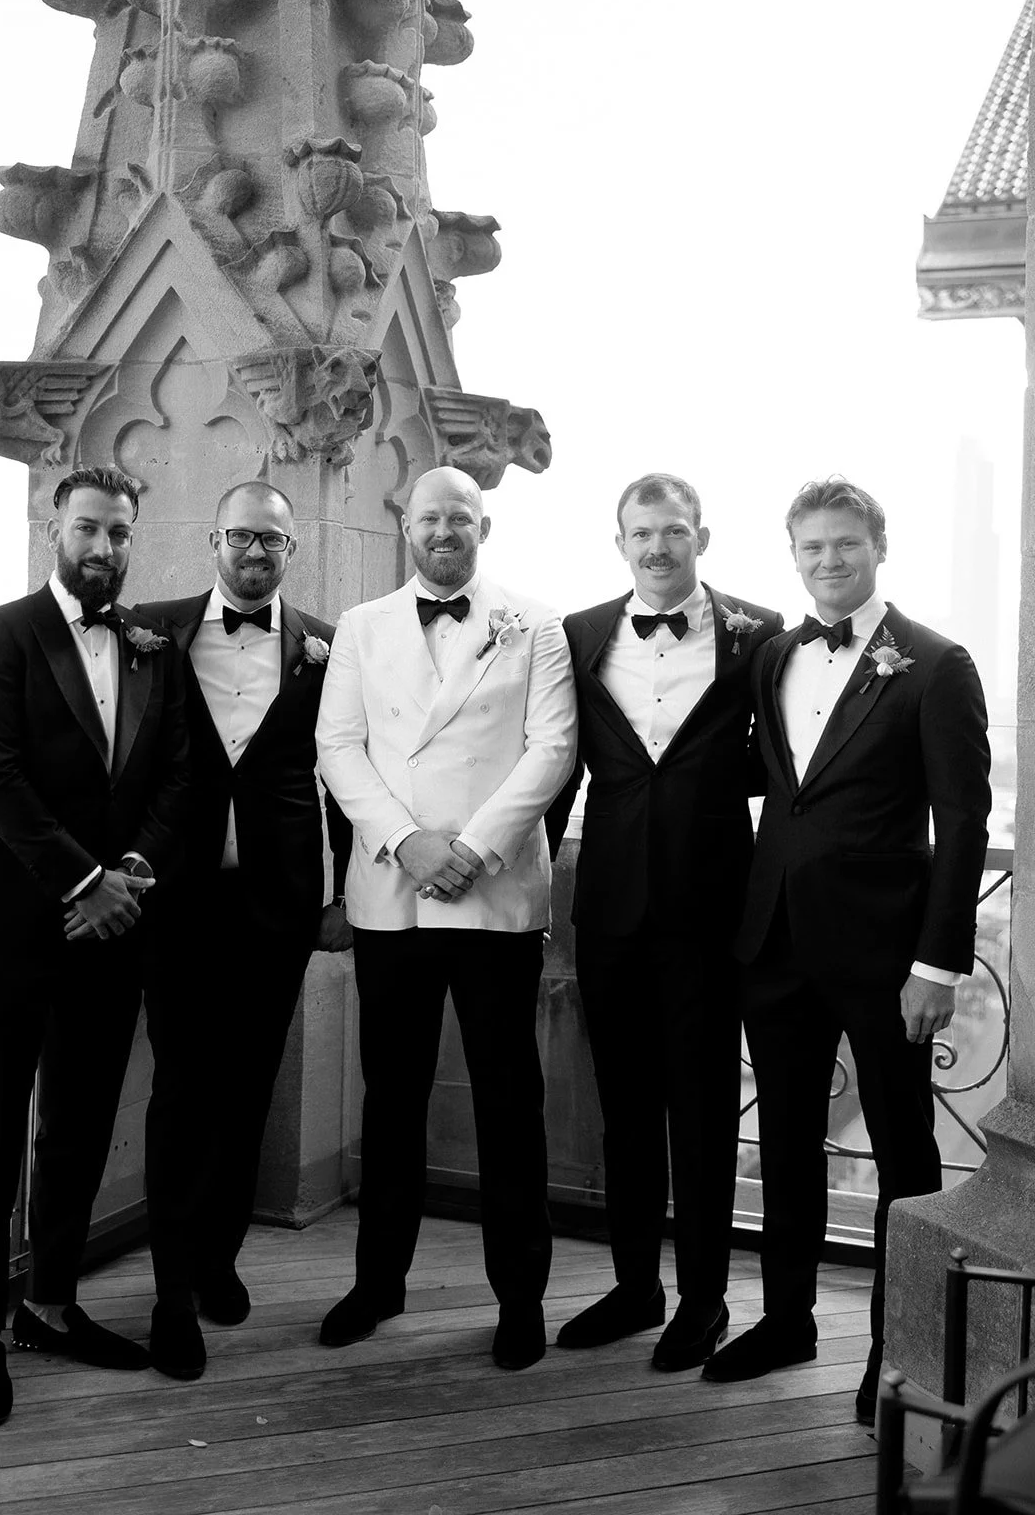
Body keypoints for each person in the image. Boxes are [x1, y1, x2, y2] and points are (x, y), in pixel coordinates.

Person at [702, 476, 991, 1427]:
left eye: (846, 545)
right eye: (812, 548)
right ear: (793, 556)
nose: (829, 561)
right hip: (775, 943)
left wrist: (938, 967)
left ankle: (894, 1353)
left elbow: (963, 821)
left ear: (879, 545)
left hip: (885, 958)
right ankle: (786, 1320)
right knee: (784, 1145)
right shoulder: (776, 653)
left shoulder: (938, 665)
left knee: (906, 1159)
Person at [315, 466, 577, 1370]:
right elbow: (337, 748)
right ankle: (378, 1283)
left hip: (494, 890)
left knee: (511, 1103)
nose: (443, 532)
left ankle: (521, 1299)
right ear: (406, 526)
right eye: (429, 518)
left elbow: (553, 747)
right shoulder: (360, 626)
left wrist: (473, 846)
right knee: (390, 1098)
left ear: (483, 527)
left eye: (459, 519)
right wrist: (406, 843)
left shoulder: (535, 623)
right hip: (393, 892)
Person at [0, 465, 190, 1426]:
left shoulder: (150, 647)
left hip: (113, 930)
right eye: (89, 529)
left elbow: (173, 777)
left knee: (81, 1124)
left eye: (121, 535)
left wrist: (126, 875)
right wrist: (83, 884)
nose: (104, 549)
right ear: (58, 527)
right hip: (16, 927)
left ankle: (50, 1302)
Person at [545, 473, 782, 1370]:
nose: (657, 547)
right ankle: (635, 1285)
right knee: (627, 1108)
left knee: (704, 1110)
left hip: (713, 906)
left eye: (673, 531)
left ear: (702, 538)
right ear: (620, 543)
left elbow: (783, 757)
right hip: (606, 905)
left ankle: (706, 1301)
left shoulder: (760, 634)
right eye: (641, 533)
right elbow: (558, 766)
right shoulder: (579, 634)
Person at [137, 480, 352, 1380]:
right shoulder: (152, 631)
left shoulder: (329, 648)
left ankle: (220, 1254)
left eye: (273, 541)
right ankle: (171, 1291)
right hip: (176, 904)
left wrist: (339, 897)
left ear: (291, 550)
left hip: (277, 905)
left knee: (247, 1089)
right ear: (211, 541)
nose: (255, 554)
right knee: (182, 1091)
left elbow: (348, 771)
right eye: (240, 537)